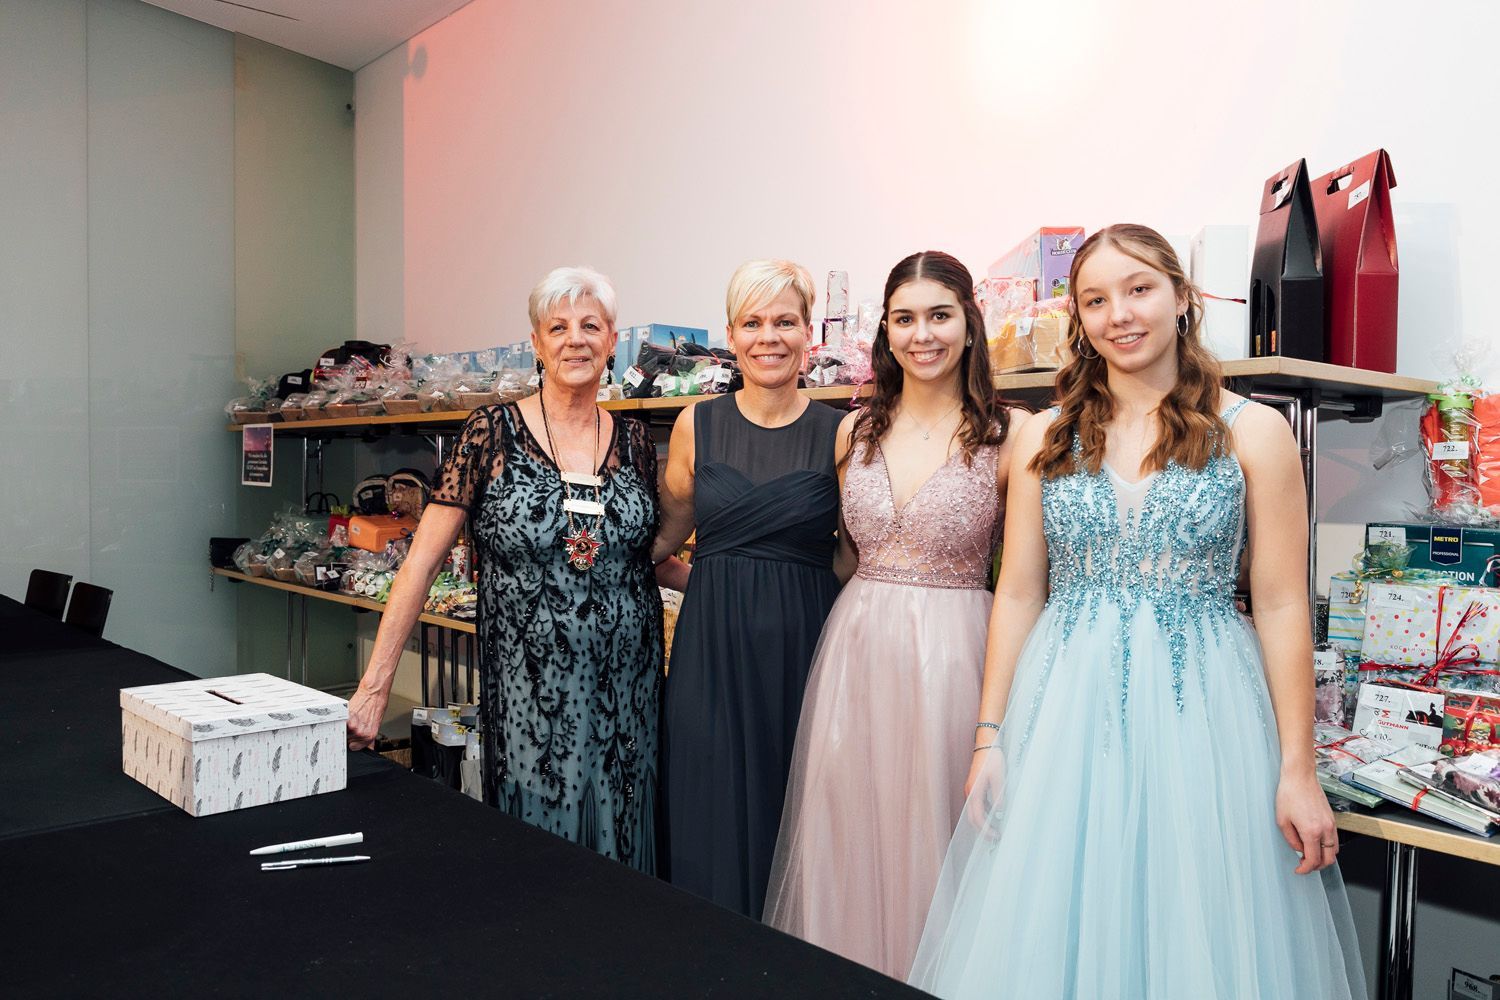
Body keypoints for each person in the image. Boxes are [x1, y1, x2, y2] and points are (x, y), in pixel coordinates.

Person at [909, 226, 1366, 998]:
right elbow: (1018, 592)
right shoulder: (1045, 435)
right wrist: (989, 738)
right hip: (1066, 716)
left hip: (1205, 718)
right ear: (1079, 319)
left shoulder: (1254, 431)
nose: (1119, 314)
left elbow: (1283, 602)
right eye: (1095, 300)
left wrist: (1298, 768)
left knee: (1196, 923)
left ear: (1182, 298)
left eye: (1139, 289)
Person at [346, 266, 666, 873]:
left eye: (590, 325)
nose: (575, 339)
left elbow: (643, 555)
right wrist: (373, 686)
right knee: (540, 853)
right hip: (531, 694)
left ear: (612, 339)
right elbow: (420, 565)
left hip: (629, 689)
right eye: (558, 327)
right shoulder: (490, 434)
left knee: (625, 848)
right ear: (537, 343)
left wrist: (731, 586)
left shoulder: (636, 442)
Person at [765, 251, 1024, 979]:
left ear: (970, 323)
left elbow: (1023, 581)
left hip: (957, 654)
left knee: (940, 832)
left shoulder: (1012, 434)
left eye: (939, 315)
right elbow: (845, 556)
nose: (922, 334)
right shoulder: (854, 432)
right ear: (885, 329)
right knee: (851, 830)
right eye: (904, 318)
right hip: (857, 651)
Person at [655, 258, 844, 918]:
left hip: (806, 649)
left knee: (797, 804)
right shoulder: (695, 425)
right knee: (709, 801)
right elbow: (661, 540)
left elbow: (853, 558)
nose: (769, 337)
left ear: (809, 333)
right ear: (731, 335)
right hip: (712, 650)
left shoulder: (841, 432)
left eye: (785, 321)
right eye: (753, 322)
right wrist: (704, 581)